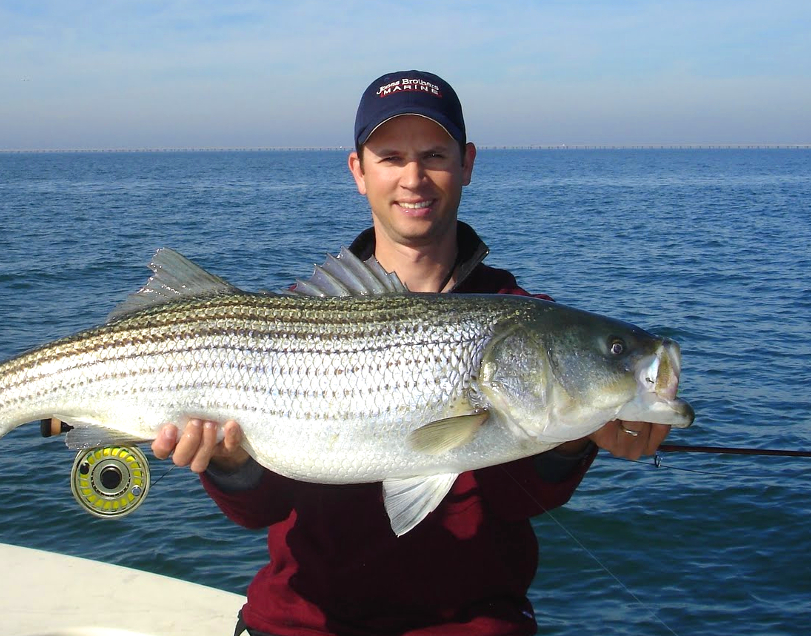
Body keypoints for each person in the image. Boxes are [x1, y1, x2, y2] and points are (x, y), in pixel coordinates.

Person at [151, 70, 671, 636]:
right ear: (359, 171)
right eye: (391, 157)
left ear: (467, 163)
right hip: (303, 623)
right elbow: (263, 512)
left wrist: (573, 442)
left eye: (434, 155)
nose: (414, 178)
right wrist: (228, 464)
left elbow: (517, 502)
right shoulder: (296, 315)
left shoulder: (524, 315)